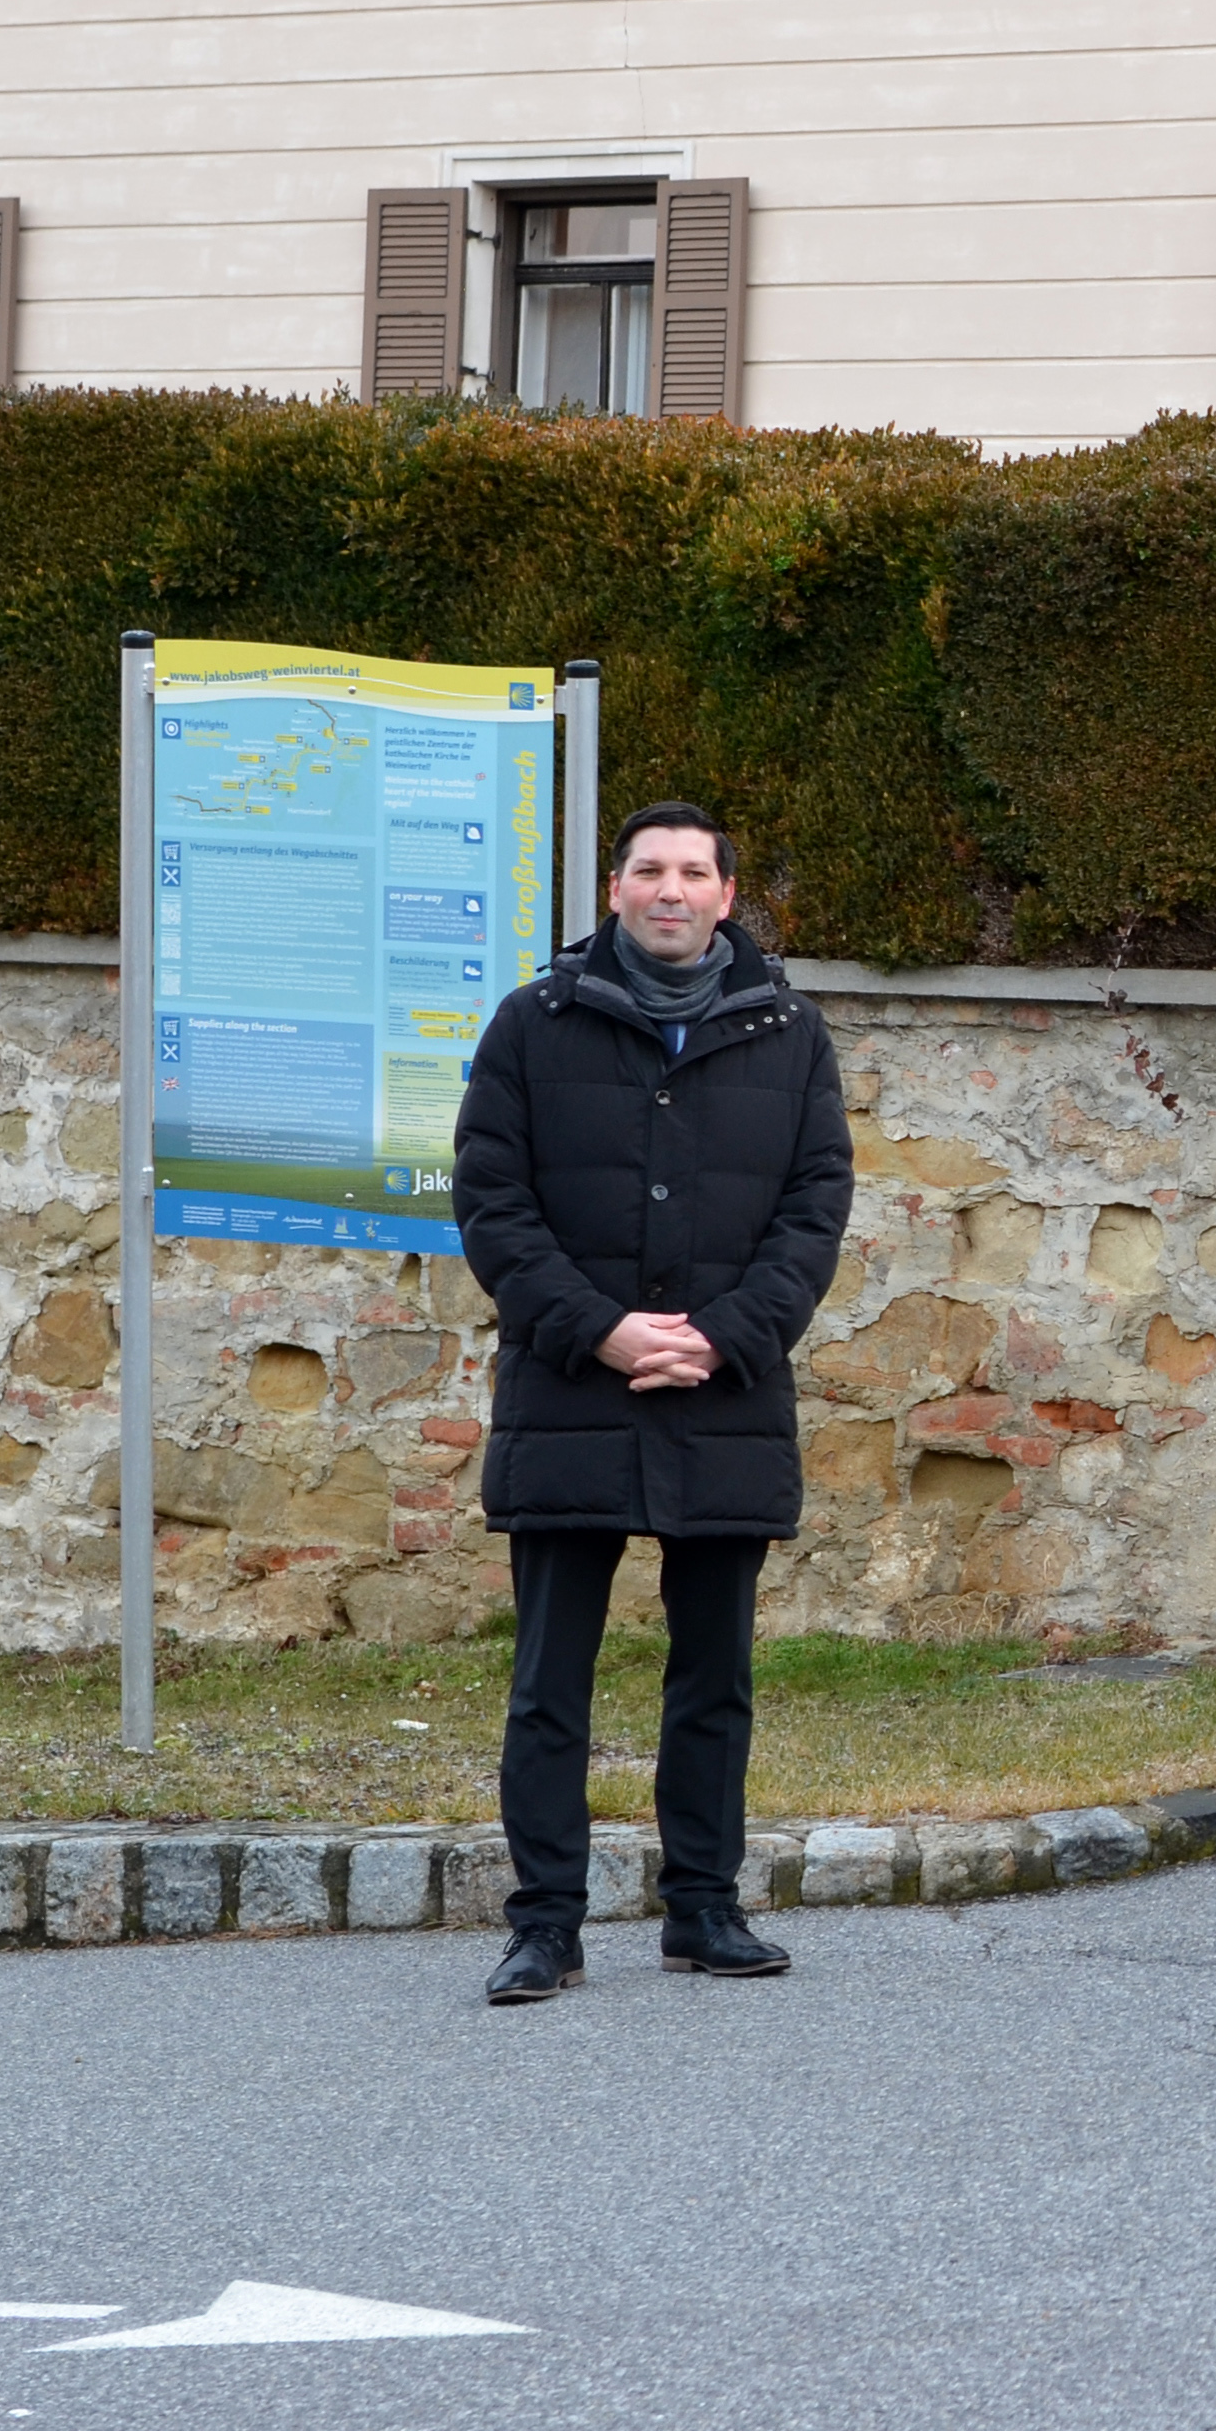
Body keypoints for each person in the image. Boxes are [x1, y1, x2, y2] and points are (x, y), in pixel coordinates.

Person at [454, 798, 853, 2008]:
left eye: (693, 872)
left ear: (728, 895)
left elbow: (814, 1207)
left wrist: (723, 1338)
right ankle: (545, 1925)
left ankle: (702, 1908)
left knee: (714, 1677)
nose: (670, 890)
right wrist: (605, 1333)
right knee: (548, 1682)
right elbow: (492, 1203)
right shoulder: (532, 1024)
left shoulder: (790, 1033)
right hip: (571, 1388)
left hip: (723, 1397)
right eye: (648, 871)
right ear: (613, 891)